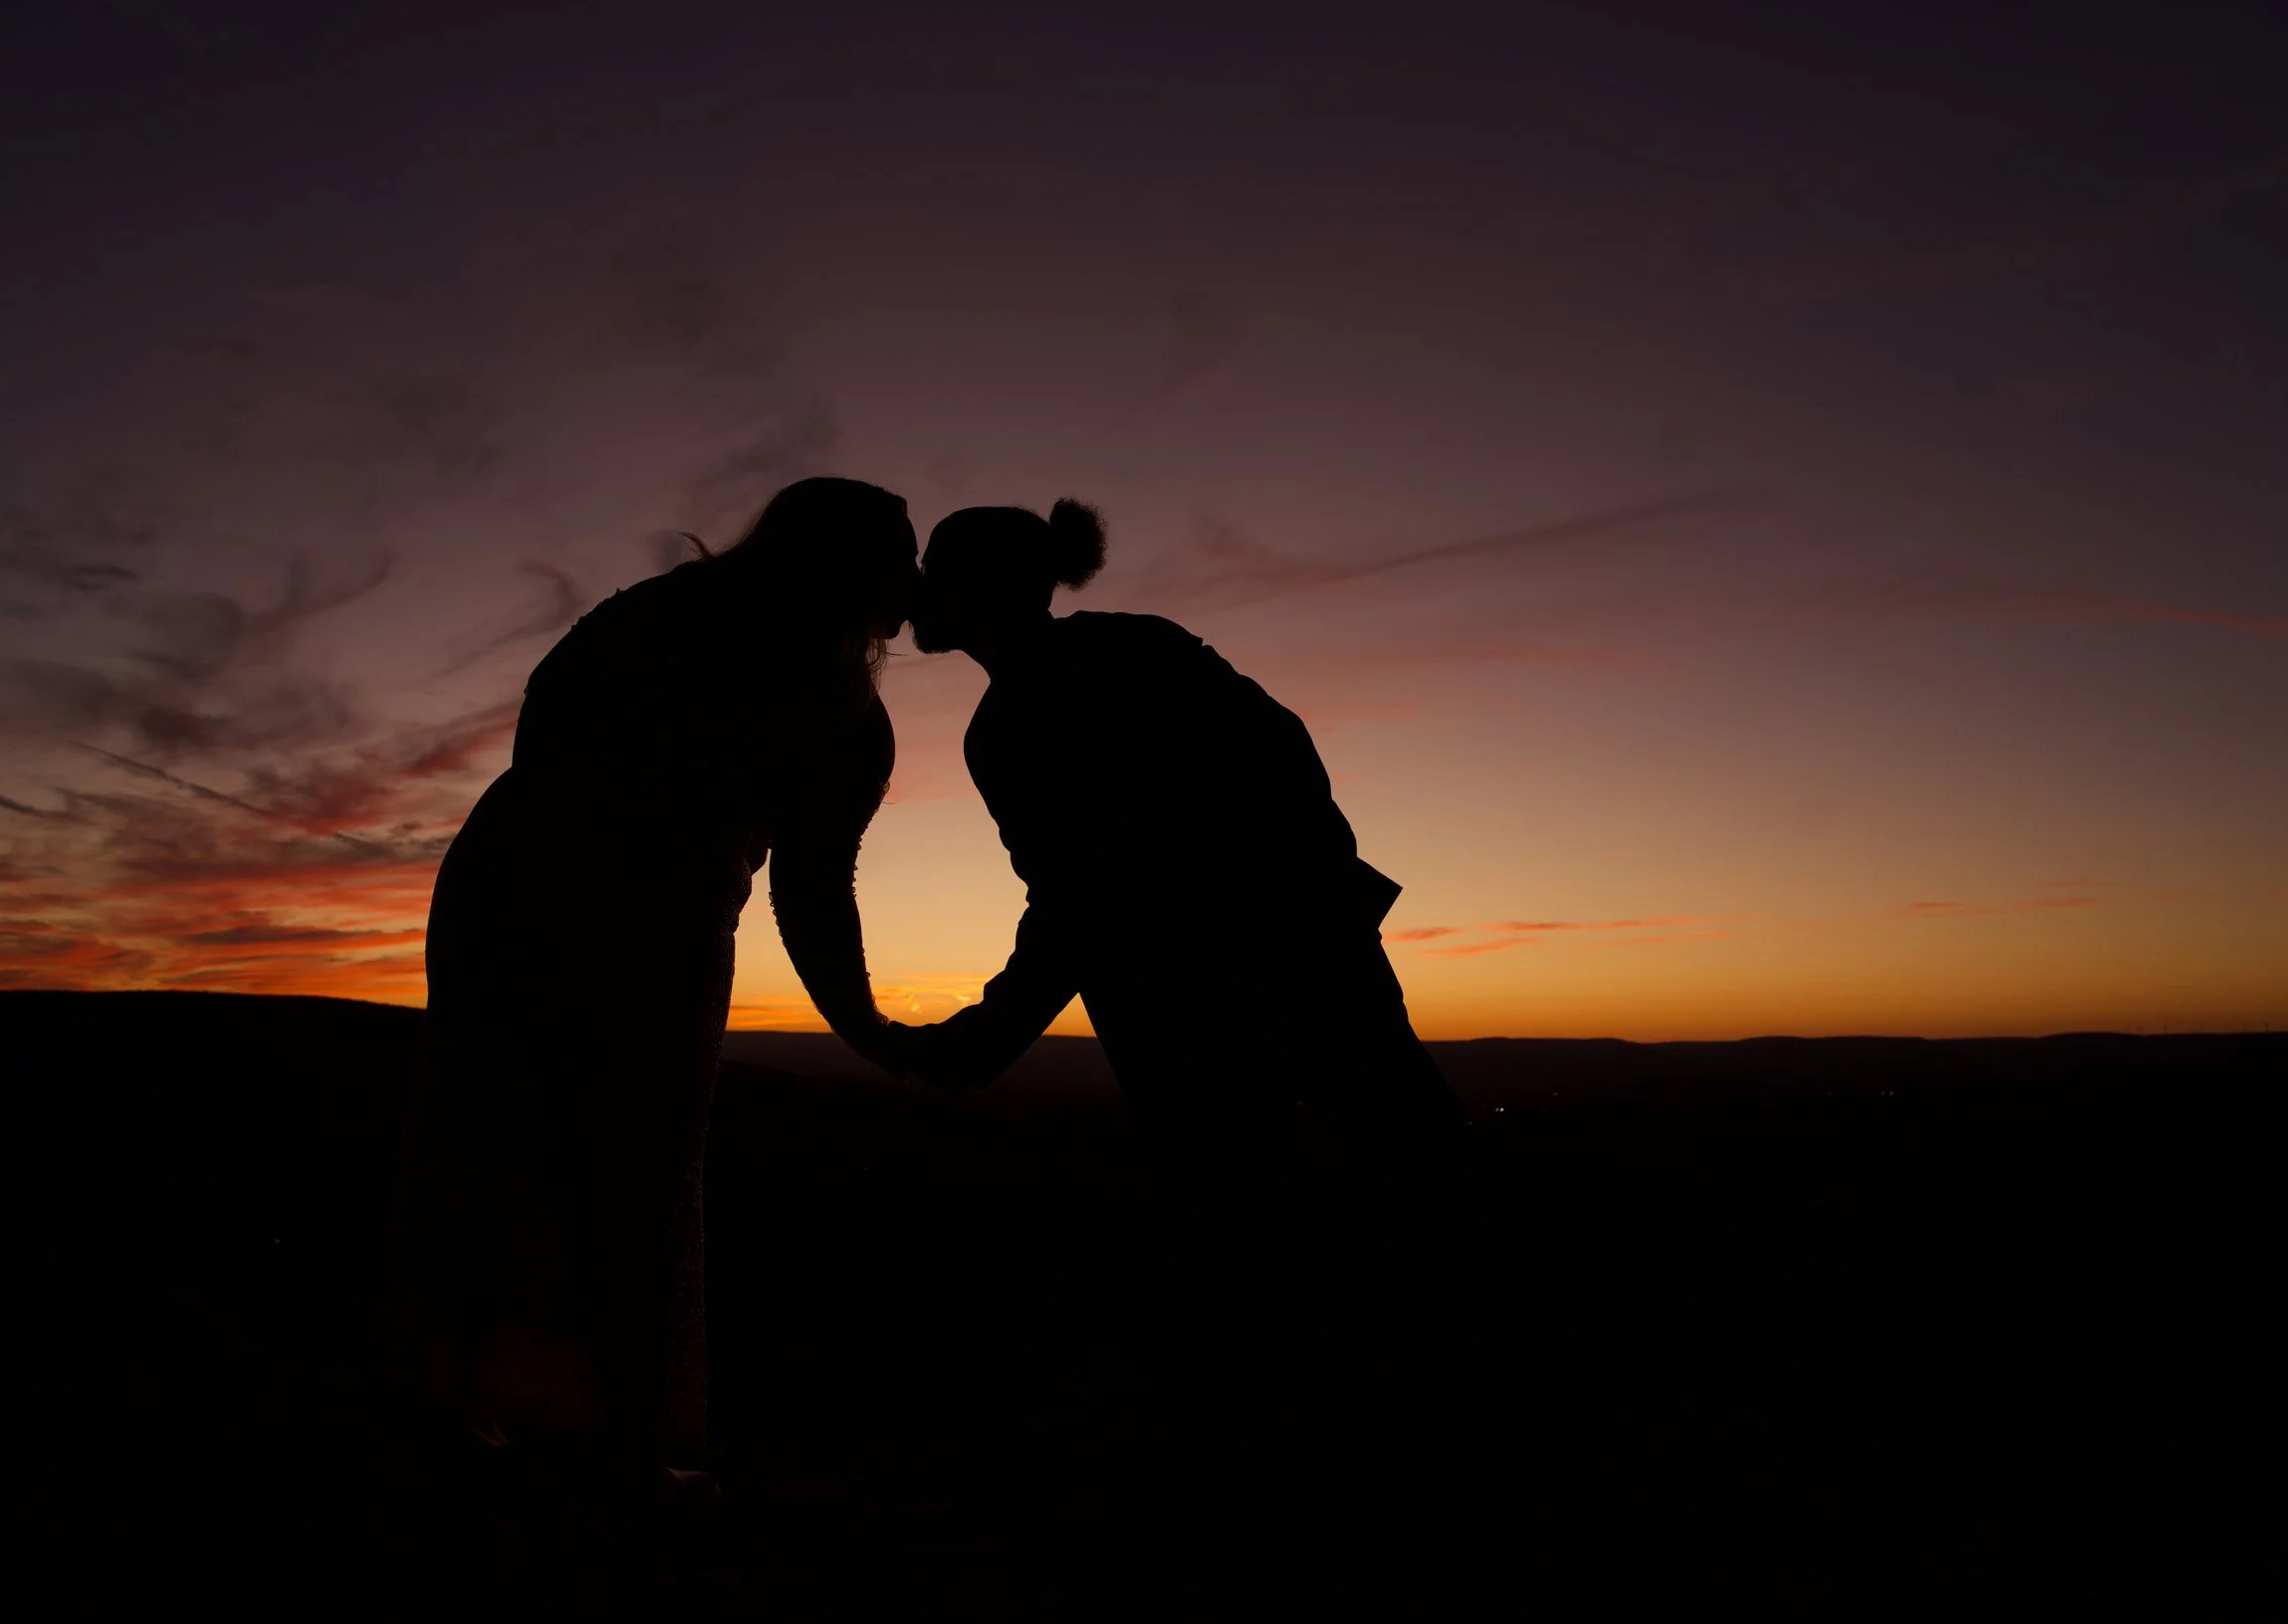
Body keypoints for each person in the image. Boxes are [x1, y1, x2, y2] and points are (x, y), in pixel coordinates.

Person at [890, 500, 1541, 1601]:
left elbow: (1082, 896)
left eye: (940, 576)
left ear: (989, 590)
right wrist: (1319, 909)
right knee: (1419, 1182)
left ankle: (1250, 1512)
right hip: (1301, 963)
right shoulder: (1134, 653)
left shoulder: (1021, 719)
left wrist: (989, 1034)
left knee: (1233, 1241)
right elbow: (1280, 767)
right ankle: (1513, 1424)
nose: (920, 598)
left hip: (1204, 1004)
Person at [389, 477, 917, 1509]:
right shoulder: (818, 703)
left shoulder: (665, 623)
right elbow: (810, 890)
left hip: (557, 894)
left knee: (558, 1156)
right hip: (596, 905)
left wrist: (860, 1021)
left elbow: (544, 742)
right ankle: (586, 1450)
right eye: (897, 553)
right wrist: (868, 1027)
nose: (914, 577)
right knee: (594, 1164)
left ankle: (512, 1421)